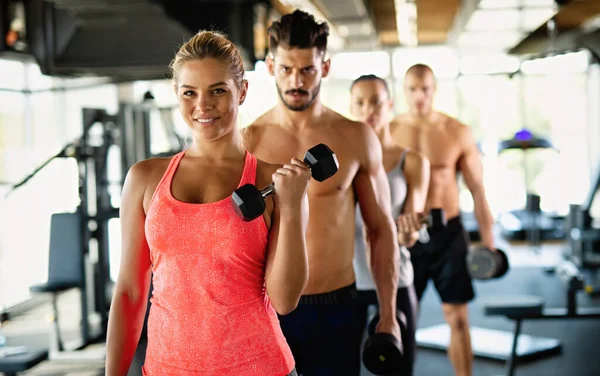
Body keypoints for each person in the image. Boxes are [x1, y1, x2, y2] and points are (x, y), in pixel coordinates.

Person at [105, 30, 310, 376]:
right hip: (166, 368)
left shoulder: (275, 183)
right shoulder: (144, 179)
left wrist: (290, 208)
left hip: (259, 367)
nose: (203, 105)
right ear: (176, 94)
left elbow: (285, 300)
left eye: (218, 90)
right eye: (190, 93)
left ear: (241, 91)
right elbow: (129, 292)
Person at [242, 10, 401, 375]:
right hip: (265, 306)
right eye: (286, 69)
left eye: (307, 70)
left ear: (325, 68)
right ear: (270, 67)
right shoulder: (248, 141)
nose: (296, 81)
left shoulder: (356, 137)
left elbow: (380, 229)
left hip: (337, 305)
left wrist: (389, 314)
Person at [391, 63, 497, 376]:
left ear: (434, 89)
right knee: (403, 320)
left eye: (425, 88)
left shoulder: (456, 132)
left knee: (458, 318)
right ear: (404, 90)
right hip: (407, 235)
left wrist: (488, 244)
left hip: (449, 234)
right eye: (412, 89)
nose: (419, 95)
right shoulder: (391, 131)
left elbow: (478, 191)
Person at [349, 74, 430, 376]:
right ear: (351, 107)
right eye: (360, 102)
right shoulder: (343, 163)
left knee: (400, 369)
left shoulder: (413, 161)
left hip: (397, 281)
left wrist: (409, 230)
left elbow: (410, 231)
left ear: (390, 105)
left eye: (376, 102)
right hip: (349, 283)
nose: (368, 109)